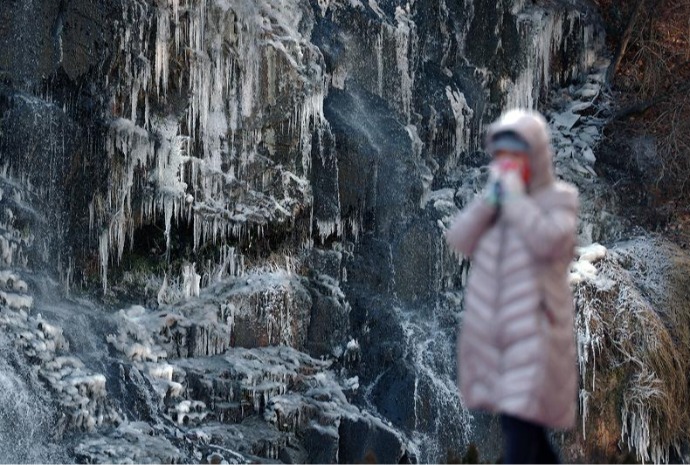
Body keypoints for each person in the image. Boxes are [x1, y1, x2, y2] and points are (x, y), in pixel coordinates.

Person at [445, 109, 579, 464]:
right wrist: (488, 201)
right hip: (499, 343)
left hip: (535, 345)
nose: (506, 166)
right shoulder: (496, 204)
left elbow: (552, 243)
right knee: (531, 441)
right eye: (501, 158)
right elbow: (459, 238)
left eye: (514, 157)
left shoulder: (558, 200)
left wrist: (517, 201)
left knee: (519, 441)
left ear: (533, 159)